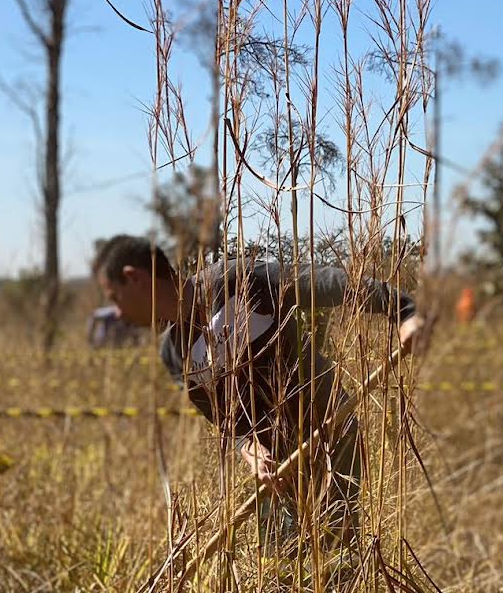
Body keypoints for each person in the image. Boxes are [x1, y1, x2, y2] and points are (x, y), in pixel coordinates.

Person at [92, 235, 426, 551]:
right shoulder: (173, 355)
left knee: (335, 554)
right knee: (280, 572)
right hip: (275, 469)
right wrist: (248, 447)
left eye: (114, 298)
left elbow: (327, 283)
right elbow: (225, 420)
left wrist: (404, 311)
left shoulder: (238, 280)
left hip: (328, 431)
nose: (117, 313)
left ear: (133, 278)